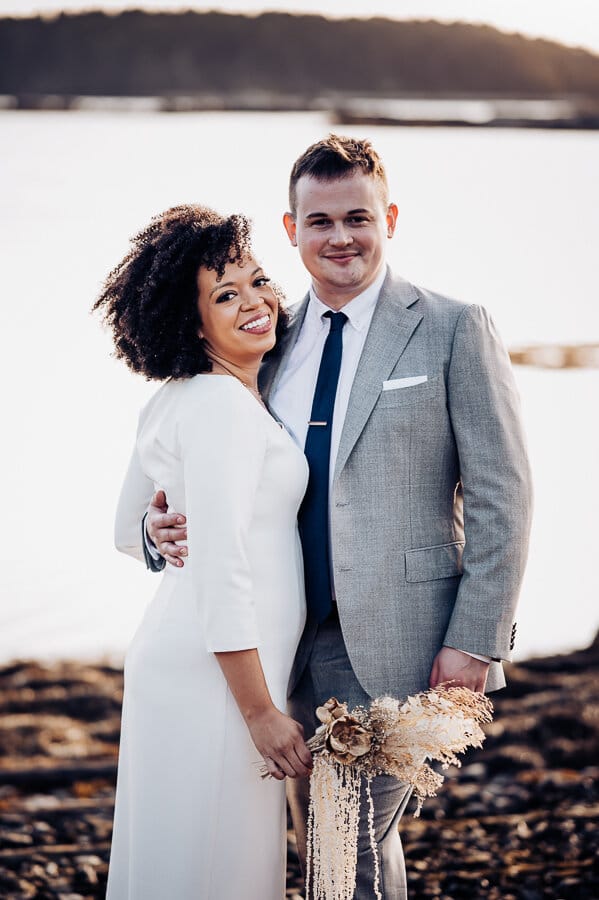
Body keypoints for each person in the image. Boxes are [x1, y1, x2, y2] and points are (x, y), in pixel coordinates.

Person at [142, 136, 533, 899]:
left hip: (402, 645)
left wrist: (474, 641)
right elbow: (203, 462)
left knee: (342, 840)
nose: (340, 237)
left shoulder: (453, 327)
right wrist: (159, 532)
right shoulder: (267, 336)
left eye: (357, 217)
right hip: (283, 641)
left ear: (388, 218)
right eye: (319, 222)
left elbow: (503, 493)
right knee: (329, 844)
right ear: (291, 231)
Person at [93, 204, 313, 900]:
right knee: (215, 868)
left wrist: (157, 539)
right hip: (222, 679)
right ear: (191, 324)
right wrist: (258, 710)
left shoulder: (177, 396)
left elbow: (130, 529)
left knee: (182, 862)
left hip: (187, 655)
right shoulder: (219, 404)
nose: (255, 303)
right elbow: (221, 567)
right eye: (225, 295)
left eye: (257, 281)